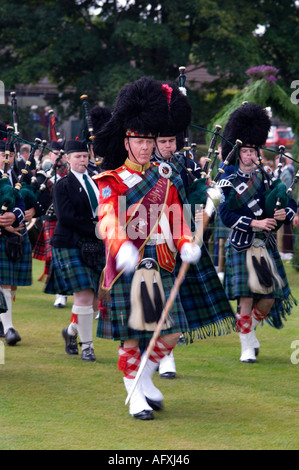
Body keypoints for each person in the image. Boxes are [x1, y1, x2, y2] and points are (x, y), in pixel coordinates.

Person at [93, 77, 235, 420]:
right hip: (129, 263)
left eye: (148, 140)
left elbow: (177, 221)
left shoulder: (164, 177)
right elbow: (108, 219)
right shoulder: (110, 180)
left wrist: (187, 243)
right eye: (138, 140)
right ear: (126, 141)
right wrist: (121, 246)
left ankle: (144, 377)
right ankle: (135, 392)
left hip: (164, 262)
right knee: (131, 337)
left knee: (170, 334)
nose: (145, 147)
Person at [219, 102, 297, 363]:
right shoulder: (228, 178)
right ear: (238, 151)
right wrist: (255, 223)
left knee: (269, 297)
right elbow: (226, 216)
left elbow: (286, 200)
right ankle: (246, 347)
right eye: (246, 150)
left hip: (265, 244)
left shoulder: (267, 177)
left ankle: (248, 330)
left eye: (254, 150)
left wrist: (288, 214)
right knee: (245, 297)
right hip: (241, 243)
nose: (251, 154)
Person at [45, 139, 104, 362]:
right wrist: (97, 228)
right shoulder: (63, 185)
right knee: (83, 295)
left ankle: (70, 332)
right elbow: (66, 217)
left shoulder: (98, 181)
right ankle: (87, 347)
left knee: (95, 300)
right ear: (67, 159)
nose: (82, 160)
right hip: (70, 243)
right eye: (77, 157)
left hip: (95, 244)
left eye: (85, 156)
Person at [0, 135, 32, 345]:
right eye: (4, 155)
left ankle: (7, 326)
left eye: (10, 155)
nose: (8, 159)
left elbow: (20, 202)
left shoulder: (12, 176)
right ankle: (8, 327)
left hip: (13, 234)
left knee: (8, 283)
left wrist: (16, 216)